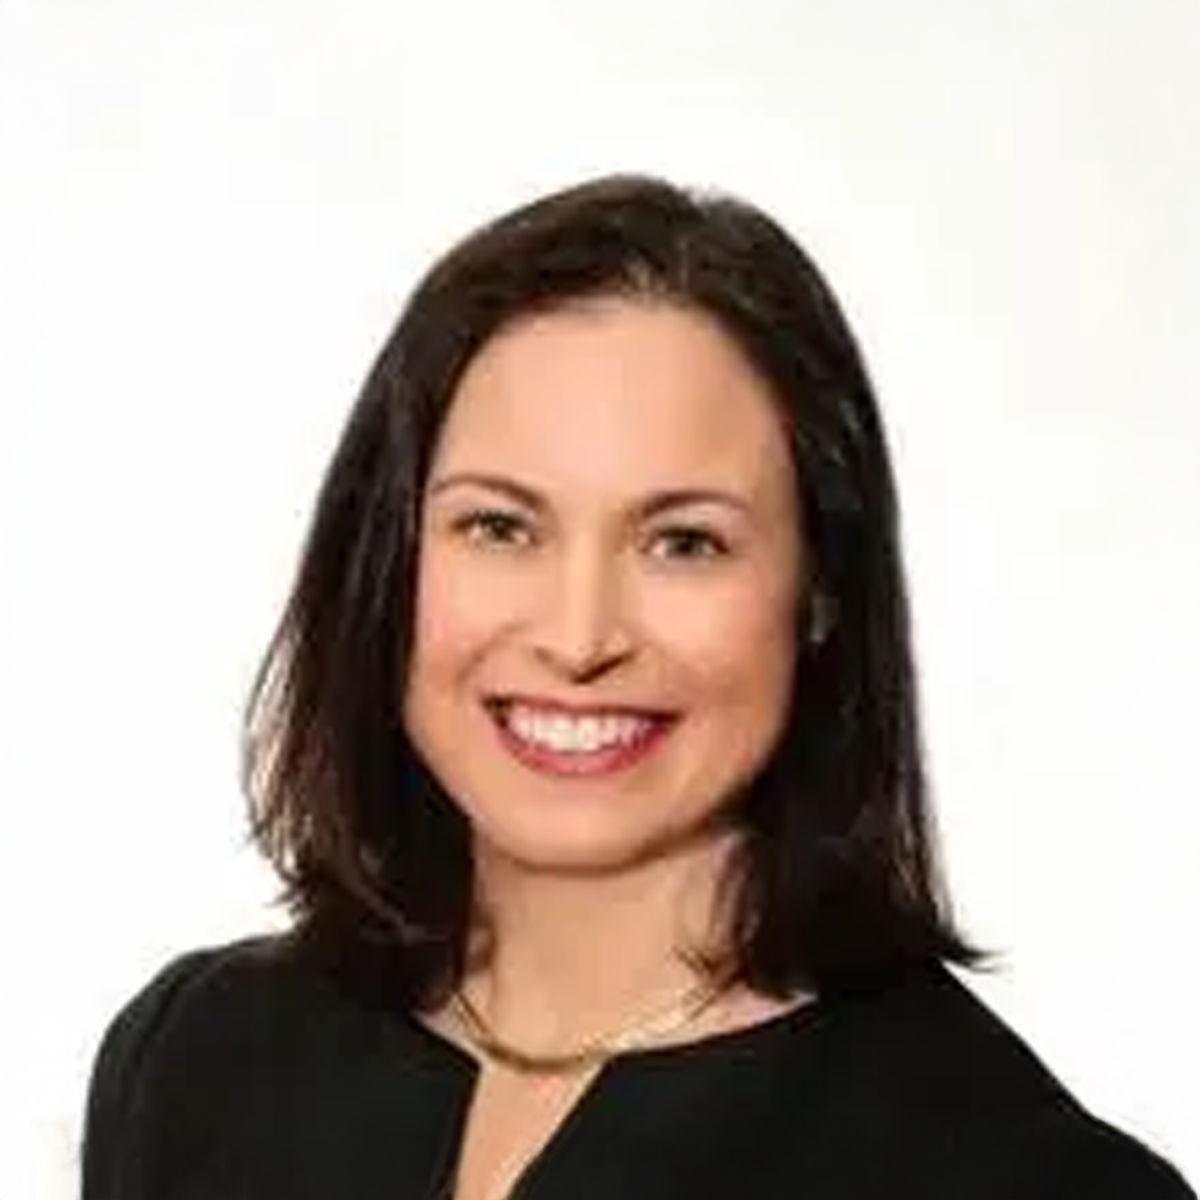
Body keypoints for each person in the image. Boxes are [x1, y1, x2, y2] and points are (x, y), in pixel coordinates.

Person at [80, 174, 1193, 1200]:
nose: (578, 637)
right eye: (499, 526)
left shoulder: (1022, 1180)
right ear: (391, 562)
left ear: (818, 593)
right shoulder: (195, 1063)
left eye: (683, 544)